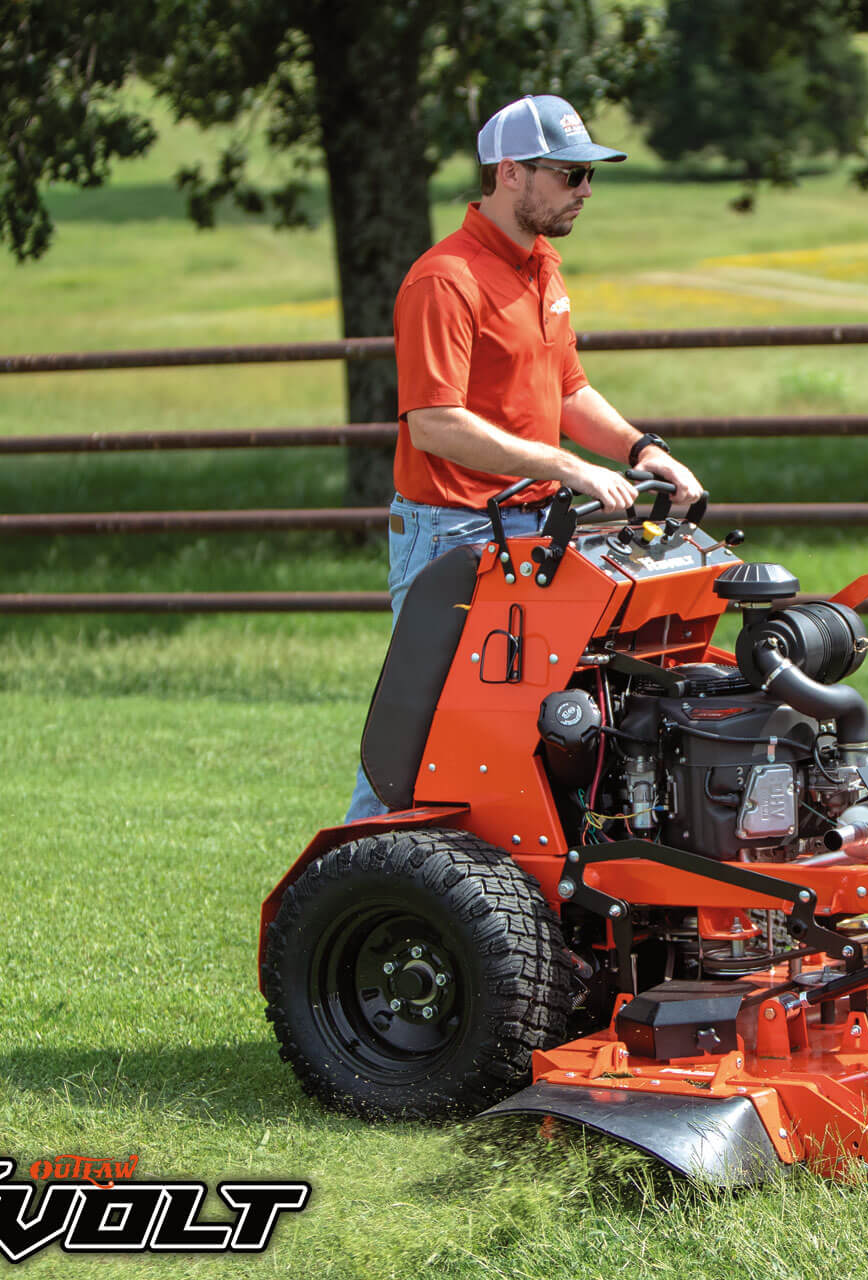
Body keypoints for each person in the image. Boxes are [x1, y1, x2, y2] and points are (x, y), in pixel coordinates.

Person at [345, 94, 704, 822]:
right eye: (569, 174)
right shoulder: (445, 280)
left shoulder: (543, 266)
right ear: (511, 173)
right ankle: (349, 894)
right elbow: (435, 425)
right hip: (453, 535)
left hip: (531, 532)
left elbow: (565, 389)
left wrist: (642, 448)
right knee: (424, 737)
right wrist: (566, 467)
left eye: (587, 175)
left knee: (541, 734)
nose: (586, 190)